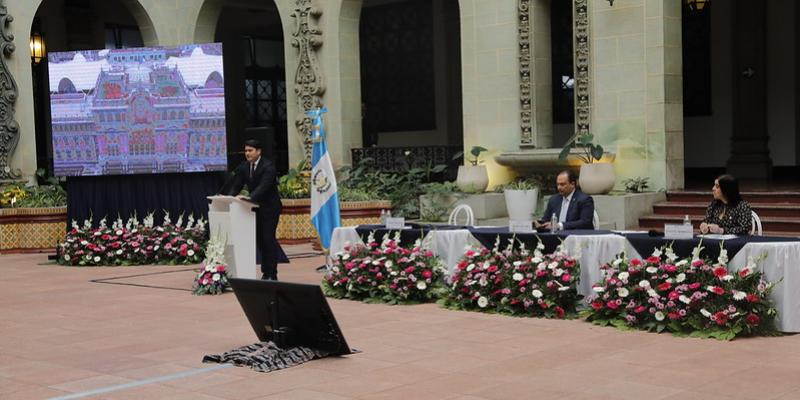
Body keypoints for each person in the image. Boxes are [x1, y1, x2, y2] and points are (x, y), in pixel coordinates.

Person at [223, 139, 288, 280]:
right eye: (246, 151)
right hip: (255, 209)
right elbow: (236, 185)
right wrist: (228, 198)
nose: (247, 153)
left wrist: (249, 197)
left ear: (259, 151)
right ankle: (265, 272)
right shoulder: (244, 167)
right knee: (260, 240)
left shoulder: (268, 166)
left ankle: (272, 274)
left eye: (250, 150)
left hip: (270, 209)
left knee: (268, 239)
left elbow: (263, 187)